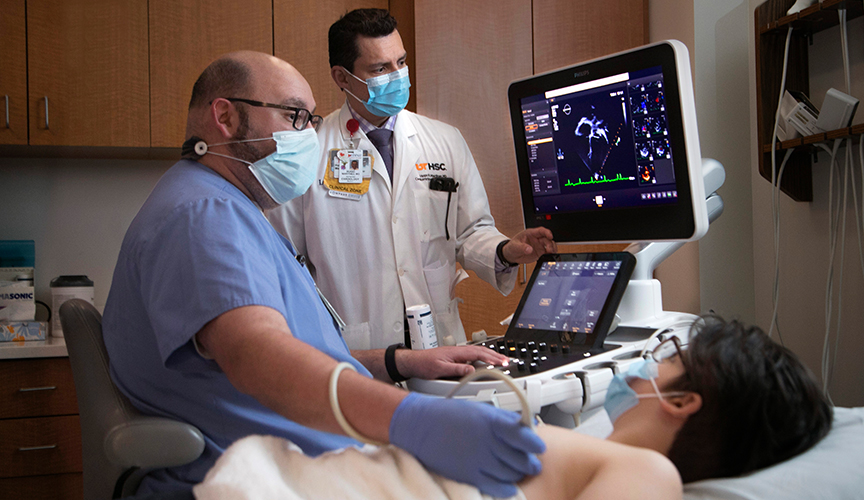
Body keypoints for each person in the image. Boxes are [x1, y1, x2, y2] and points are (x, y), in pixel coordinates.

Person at [101, 50, 546, 497]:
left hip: (313, 454)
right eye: (295, 116)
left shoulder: (228, 208)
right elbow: (260, 357)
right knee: (558, 463)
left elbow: (293, 348)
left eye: (311, 120)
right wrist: (410, 418)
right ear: (227, 117)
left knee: (559, 458)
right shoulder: (205, 214)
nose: (309, 135)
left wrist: (400, 361)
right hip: (287, 474)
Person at [194, 316, 833, 500]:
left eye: (665, 351)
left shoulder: (652, 475)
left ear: (683, 401)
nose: (646, 363)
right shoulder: (594, 450)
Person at [267, 8, 557, 351]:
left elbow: (470, 232)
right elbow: (283, 258)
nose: (398, 76)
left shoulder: (444, 140)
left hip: (440, 342)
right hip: (355, 349)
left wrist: (506, 251)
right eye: (380, 68)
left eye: (401, 63)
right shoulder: (309, 152)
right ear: (342, 78)